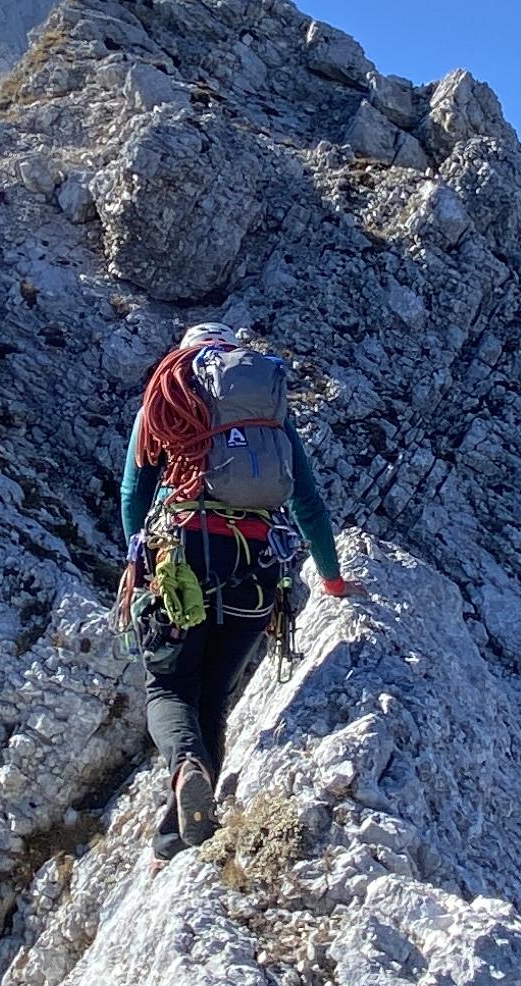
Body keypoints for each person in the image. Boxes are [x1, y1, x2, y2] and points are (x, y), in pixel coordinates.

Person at [120, 322, 349, 850]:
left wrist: (140, 562)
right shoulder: (267, 406)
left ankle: (186, 769)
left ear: (186, 356)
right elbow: (307, 500)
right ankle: (178, 836)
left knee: (170, 686)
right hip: (259, 562)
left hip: (184, 556)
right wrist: (332, 579)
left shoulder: (169, 393)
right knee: (213, 696)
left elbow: (135, 492)